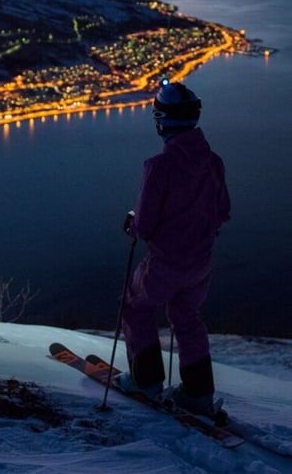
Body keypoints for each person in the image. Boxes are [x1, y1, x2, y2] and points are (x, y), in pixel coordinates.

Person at [119, 79, 231, 414]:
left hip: (166, 263)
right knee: (187, 317)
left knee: (135, 307)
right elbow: (222, 212)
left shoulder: (159, 167)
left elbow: (146, 225)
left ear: (162, 120)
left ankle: (146, 381)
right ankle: (198, 394)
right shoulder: (214, 162)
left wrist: (133, 222)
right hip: (201, 264)